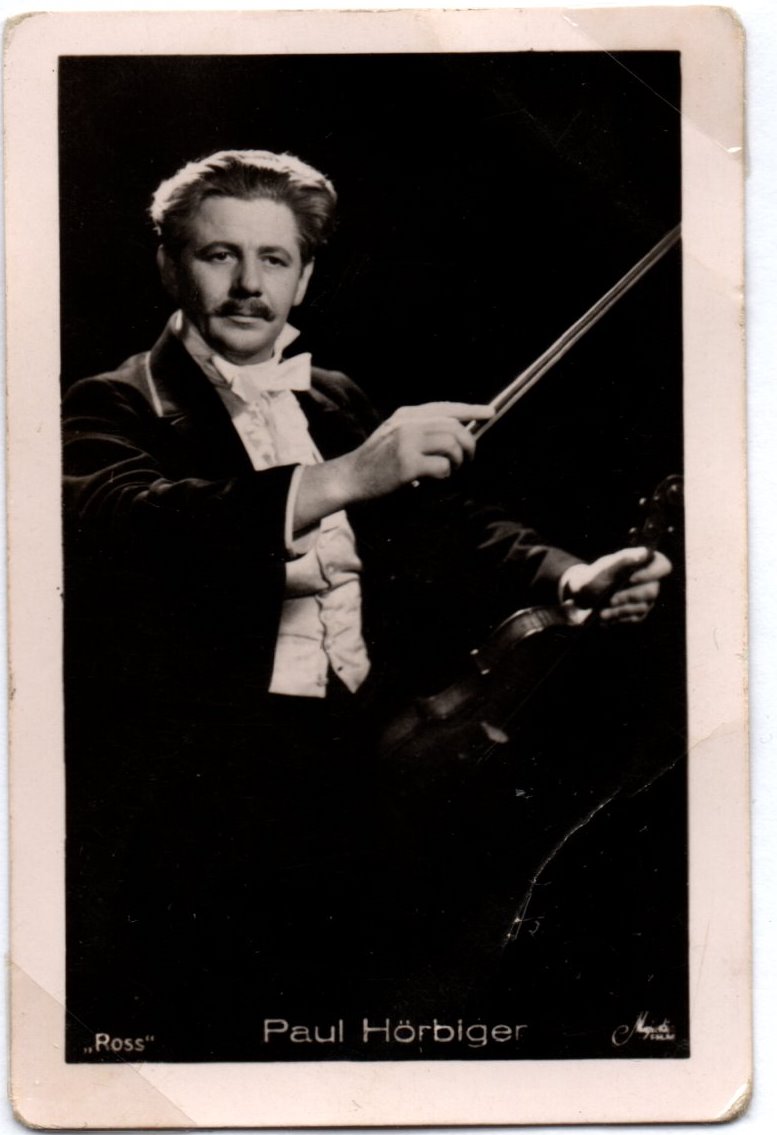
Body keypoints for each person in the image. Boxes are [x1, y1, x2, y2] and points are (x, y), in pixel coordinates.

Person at [62, 150, 671, 1059]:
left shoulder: (334, 397)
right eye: (219, 254)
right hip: (200, 784)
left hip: (361, 756)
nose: (248, 284)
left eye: (274, 259)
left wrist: (568, 577)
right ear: (168, 265)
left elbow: (452, 523)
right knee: (204, 1025)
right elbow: (129, 519)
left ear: (304, 278)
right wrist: (350, 474)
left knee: (355, 1003)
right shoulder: (112, 402)